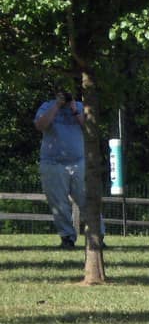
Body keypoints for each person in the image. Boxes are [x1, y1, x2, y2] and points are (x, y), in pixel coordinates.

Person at [34, 86, 102, 249]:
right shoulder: (47, 106)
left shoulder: (80, 107)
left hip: (79, 162)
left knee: (88, 200)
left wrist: (74, 110)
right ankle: (67, 238)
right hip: (52, 163)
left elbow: (90, 130)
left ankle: (97, 236)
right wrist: (57, 106)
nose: (65, 96)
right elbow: (40, 125)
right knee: (59, 204)